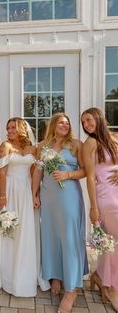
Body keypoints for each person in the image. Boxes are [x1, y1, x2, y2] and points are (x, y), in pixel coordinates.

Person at [0, 117, 50, 297]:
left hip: (26, 191)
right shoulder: (5, 146)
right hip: (9, 190)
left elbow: (35, 173)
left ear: (22, 129)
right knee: (7, 232)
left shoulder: (33, 149)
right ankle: (5, 274)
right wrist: (2, 195)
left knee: (25, 231)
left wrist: (35, 195)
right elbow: (1, 172)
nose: (9, 130)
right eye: (8, 127)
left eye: (13, 128)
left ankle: (24, 274)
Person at [32, 113, 88, 312]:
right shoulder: (43, 146)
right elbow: (38, 171)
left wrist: (67, 174)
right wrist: (34, 194)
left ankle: (71, 288)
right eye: (61, 122)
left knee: (69, 238)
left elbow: (86, 170)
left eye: (67, 122)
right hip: (48, 198)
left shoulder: (77, 145)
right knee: (52, 237)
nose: (65, 124)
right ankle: (56, 275)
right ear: (53, 125)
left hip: (69, 197)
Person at [81, 107, 118, 311]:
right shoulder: (90, 143)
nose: (86, 125)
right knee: (112, 241)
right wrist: (93, 207)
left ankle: (100, 276)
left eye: (88, 120)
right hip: (106, 197)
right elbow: (90, 177)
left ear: (99, 117)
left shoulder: (115, 137)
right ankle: (111, 288)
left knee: (114, 242)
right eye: (83, 123)